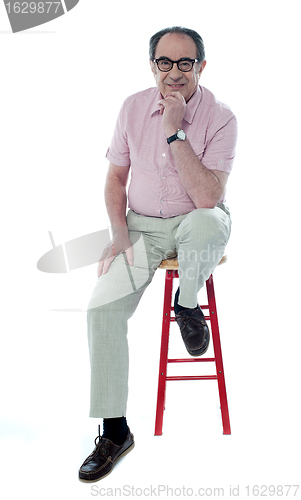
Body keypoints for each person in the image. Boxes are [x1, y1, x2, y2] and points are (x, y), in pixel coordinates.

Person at [78, 26, 237, 482]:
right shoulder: (130, 108)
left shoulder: (221, 116)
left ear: (201, 67)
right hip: (142, 228)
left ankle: (187, 303)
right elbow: (115, 180)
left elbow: (208, 197)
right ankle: (115, 431)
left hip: (196, 222)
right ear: (152, 65)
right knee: (101, 309)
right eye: (164, 62)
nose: (173, 73)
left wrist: (174, 132)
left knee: (208, 222)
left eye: (184, 63)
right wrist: (119, 233)